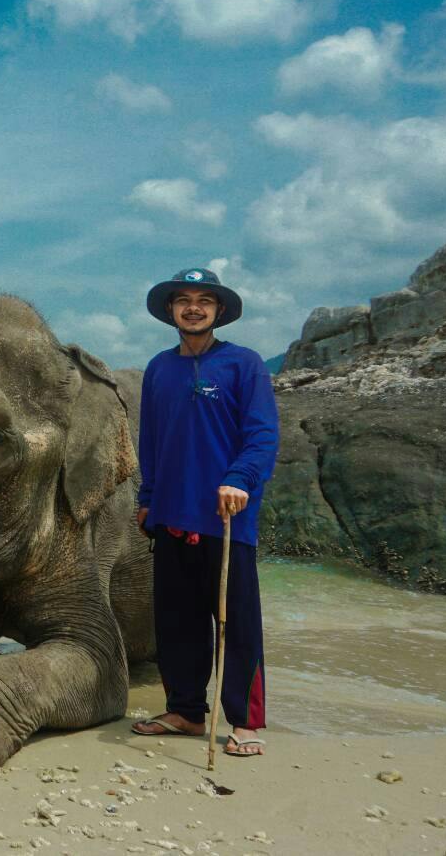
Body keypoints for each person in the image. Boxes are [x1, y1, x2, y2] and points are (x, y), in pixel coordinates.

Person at [131, 267, 278, 757]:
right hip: (171, 513)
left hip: (227, 517)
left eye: (204, 300)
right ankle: (187, 711)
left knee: (236, 624)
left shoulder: (244, 364)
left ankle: (245, 721)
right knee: (176, 622)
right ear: (171, 310)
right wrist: (146, 498)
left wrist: (239, 480)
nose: (193, 307)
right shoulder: (158, 368)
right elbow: (149, 441)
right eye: (184, 300)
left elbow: (261, 437)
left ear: (218, 311)